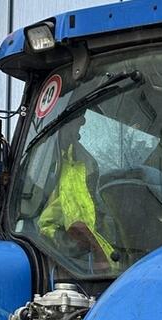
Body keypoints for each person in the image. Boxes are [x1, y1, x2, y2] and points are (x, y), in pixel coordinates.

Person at [37, 114, 120, 271]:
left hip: (92, 262)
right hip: (64, 261)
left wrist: (97, 251)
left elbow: (90, 220)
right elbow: (45, 225)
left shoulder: (86, 164)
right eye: (78, 116)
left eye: (81, 116)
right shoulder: (40, 164)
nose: (83, 121)